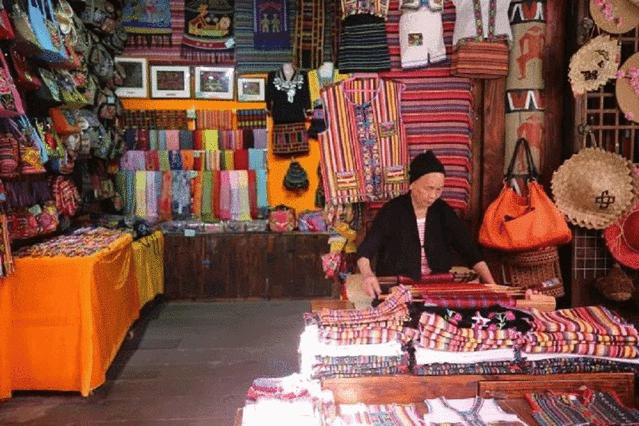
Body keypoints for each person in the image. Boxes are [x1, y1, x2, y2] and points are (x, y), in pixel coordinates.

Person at [347, 150, 496, 308]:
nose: (433, 195)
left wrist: (492, 286)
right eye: (428, 188)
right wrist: (367, 275)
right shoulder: (392, 210)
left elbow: (470, 252)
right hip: (399, 287)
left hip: (437, 286)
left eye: (438, 190)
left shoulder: (443, 211)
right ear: (412, 184)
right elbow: (365, 250)